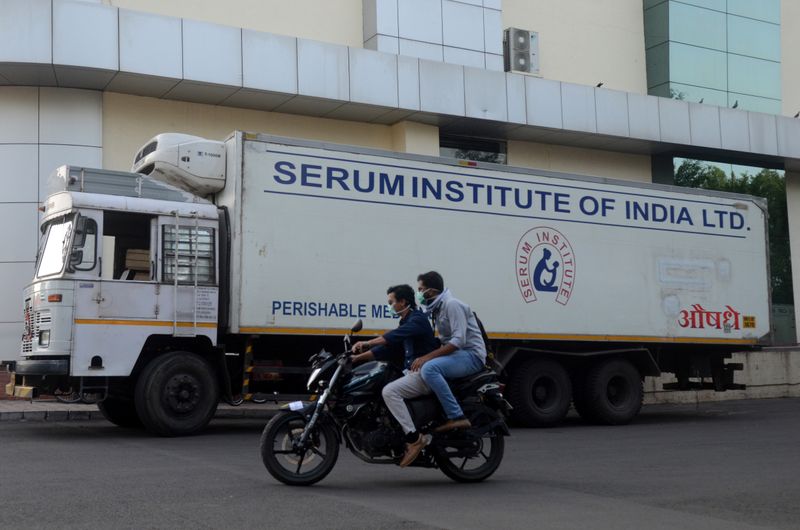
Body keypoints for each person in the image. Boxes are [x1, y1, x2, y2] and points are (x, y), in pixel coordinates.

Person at [351, 284, 439, 467]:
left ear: (403, 302)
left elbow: (392, 337)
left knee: (389, 392)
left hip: (424, 373)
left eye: (391, 302)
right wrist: (357, 358)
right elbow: (387, 349)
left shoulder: (417, 319)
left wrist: (366, 343)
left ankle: (414, 439)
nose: (389, 306)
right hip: (412, 372)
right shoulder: (406, 321)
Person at [411, 271, 487, 433]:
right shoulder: (437, 308)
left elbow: (459, 341)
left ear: (430, 291)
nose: (418, 293)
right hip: (457, 356)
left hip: (471, 356)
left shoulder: (452, 305)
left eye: (420, 289)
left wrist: (427, 358)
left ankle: (457, 416)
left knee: (430, 368)